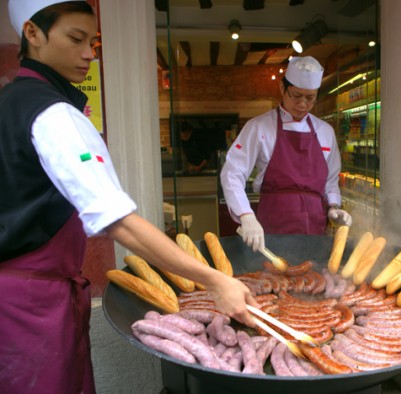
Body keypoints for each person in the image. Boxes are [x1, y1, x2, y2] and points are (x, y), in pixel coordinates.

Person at [0, 2, 257, 393]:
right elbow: (119, 223)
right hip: (32, 306)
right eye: (75, 39)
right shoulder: (54, 115)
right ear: (33, 34)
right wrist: (214, 280)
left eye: (93, 41)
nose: (89, 54)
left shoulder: (10, 100)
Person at [220, 56, 352, 252]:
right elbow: (231, 173)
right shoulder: (258, 127)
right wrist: (246, 215)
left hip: (315, 228)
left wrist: (333, 207)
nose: (303, 104)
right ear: (283, 89)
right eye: (296, 95)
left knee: (313, 277)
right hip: (273, 225)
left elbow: (330, 180)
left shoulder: (325, 131)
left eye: (310, 98)